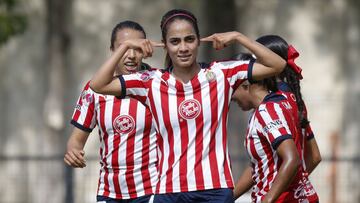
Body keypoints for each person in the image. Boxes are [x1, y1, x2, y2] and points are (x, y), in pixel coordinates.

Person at [89, 9, 286, 203]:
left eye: (189, 39)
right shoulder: (150, 81)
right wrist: (126, 46)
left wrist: (239, 37)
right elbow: (98, 85)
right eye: (175, 41)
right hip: (168, 192)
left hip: (215, 190)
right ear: (165, 46)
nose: (183, 48)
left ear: (199, 41)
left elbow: (277, 65)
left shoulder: (222, 73)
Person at [64, 21, 158, 203]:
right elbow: (75, 142)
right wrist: (73, 152)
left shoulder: (158, 83)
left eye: (137, 49)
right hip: (109, 193)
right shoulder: (94, 90)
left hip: (150, 190)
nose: (131, 56)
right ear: (111, 50)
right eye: (123, 48)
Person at [255, 35, 321, 202]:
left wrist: (277, 190)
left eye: (255, 61)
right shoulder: (295, 101)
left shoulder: (271, 104)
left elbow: (292, 159)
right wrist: (298, 182)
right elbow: (314, 157)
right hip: (305, 195)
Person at [231, 71, 307, 202]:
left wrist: (267, 200)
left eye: (232, 87)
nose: (230, 96)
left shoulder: (267, 111)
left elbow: (292, 159)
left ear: (245, 85)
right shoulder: (275, 105)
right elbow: (258, 165)